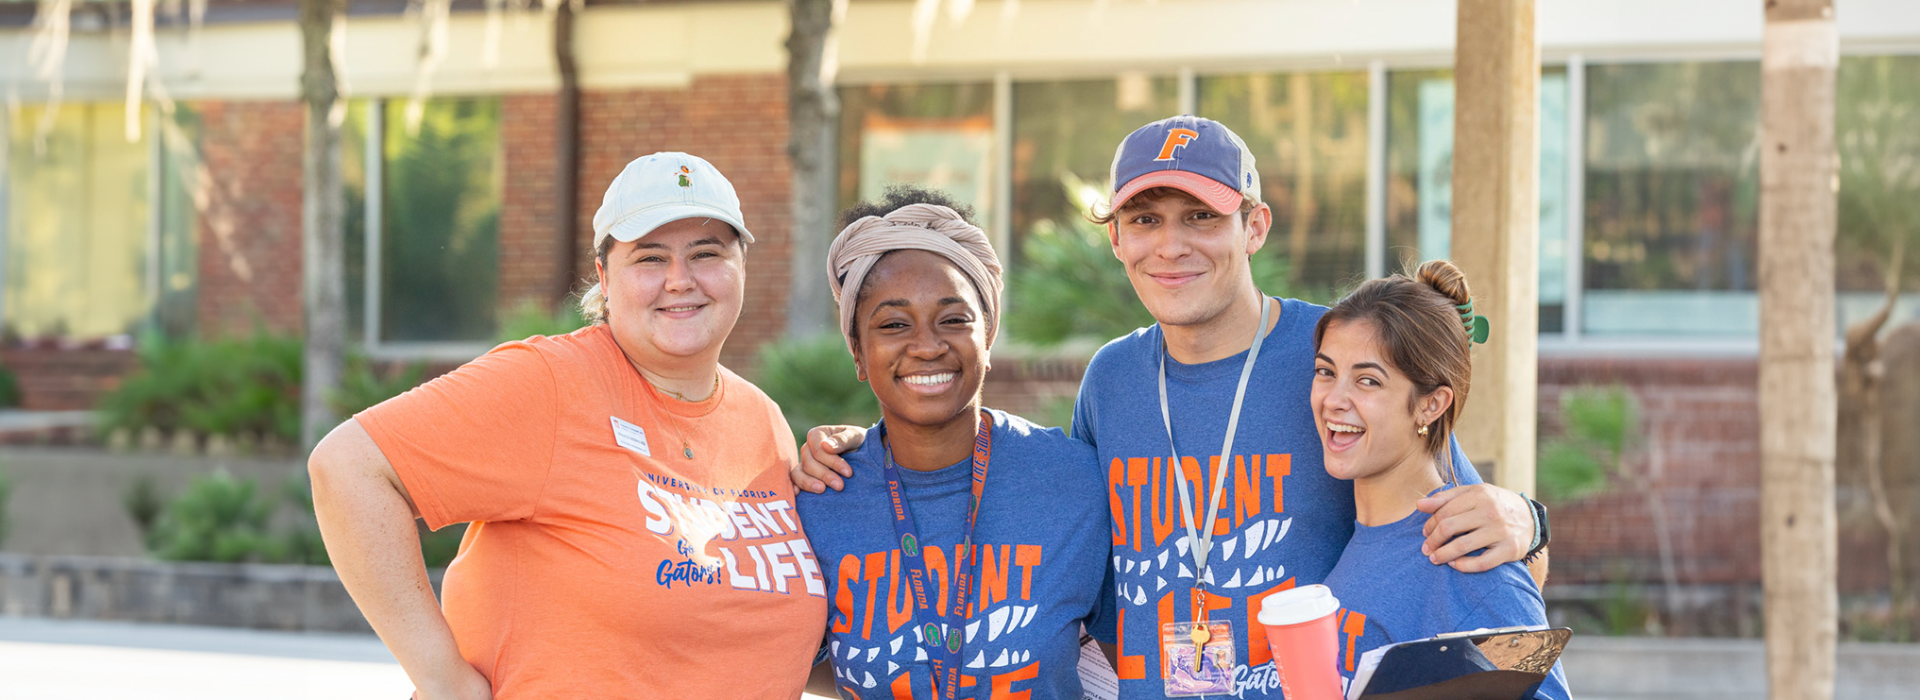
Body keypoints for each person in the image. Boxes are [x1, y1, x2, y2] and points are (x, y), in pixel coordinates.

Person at [794, 116, 1548, 699]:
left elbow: (1465, 533)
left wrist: (1529, 517)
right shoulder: (1112, 379)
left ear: (1253, 226)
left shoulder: (1334, 361)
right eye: (1146, 220)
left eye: (1200, 218)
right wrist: (861, 447)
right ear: (1116, 238)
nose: (1171, 246)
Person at [309, 152, 827, 699]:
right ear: (604, 276)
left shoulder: (762, 420)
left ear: (741, 266)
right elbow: (348, 468)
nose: (680, 280)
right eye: (650, 258)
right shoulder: (551, 383)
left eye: (706, 253)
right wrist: (442, 680)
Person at [798, 189, 1111, 699]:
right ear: (858, 352)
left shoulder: (1076, 483)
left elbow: (1144, 657)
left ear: (987, 337)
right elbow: (787, 663)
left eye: (954, 319)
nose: (927, 346)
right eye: (894, 324)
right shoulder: (821, 498)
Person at [1313, 260, 1570, 699]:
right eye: (1326, 371)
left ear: (1431, 405)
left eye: (1368, 381)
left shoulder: (1468, 563)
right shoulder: (1359, 542)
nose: (1335, 399)